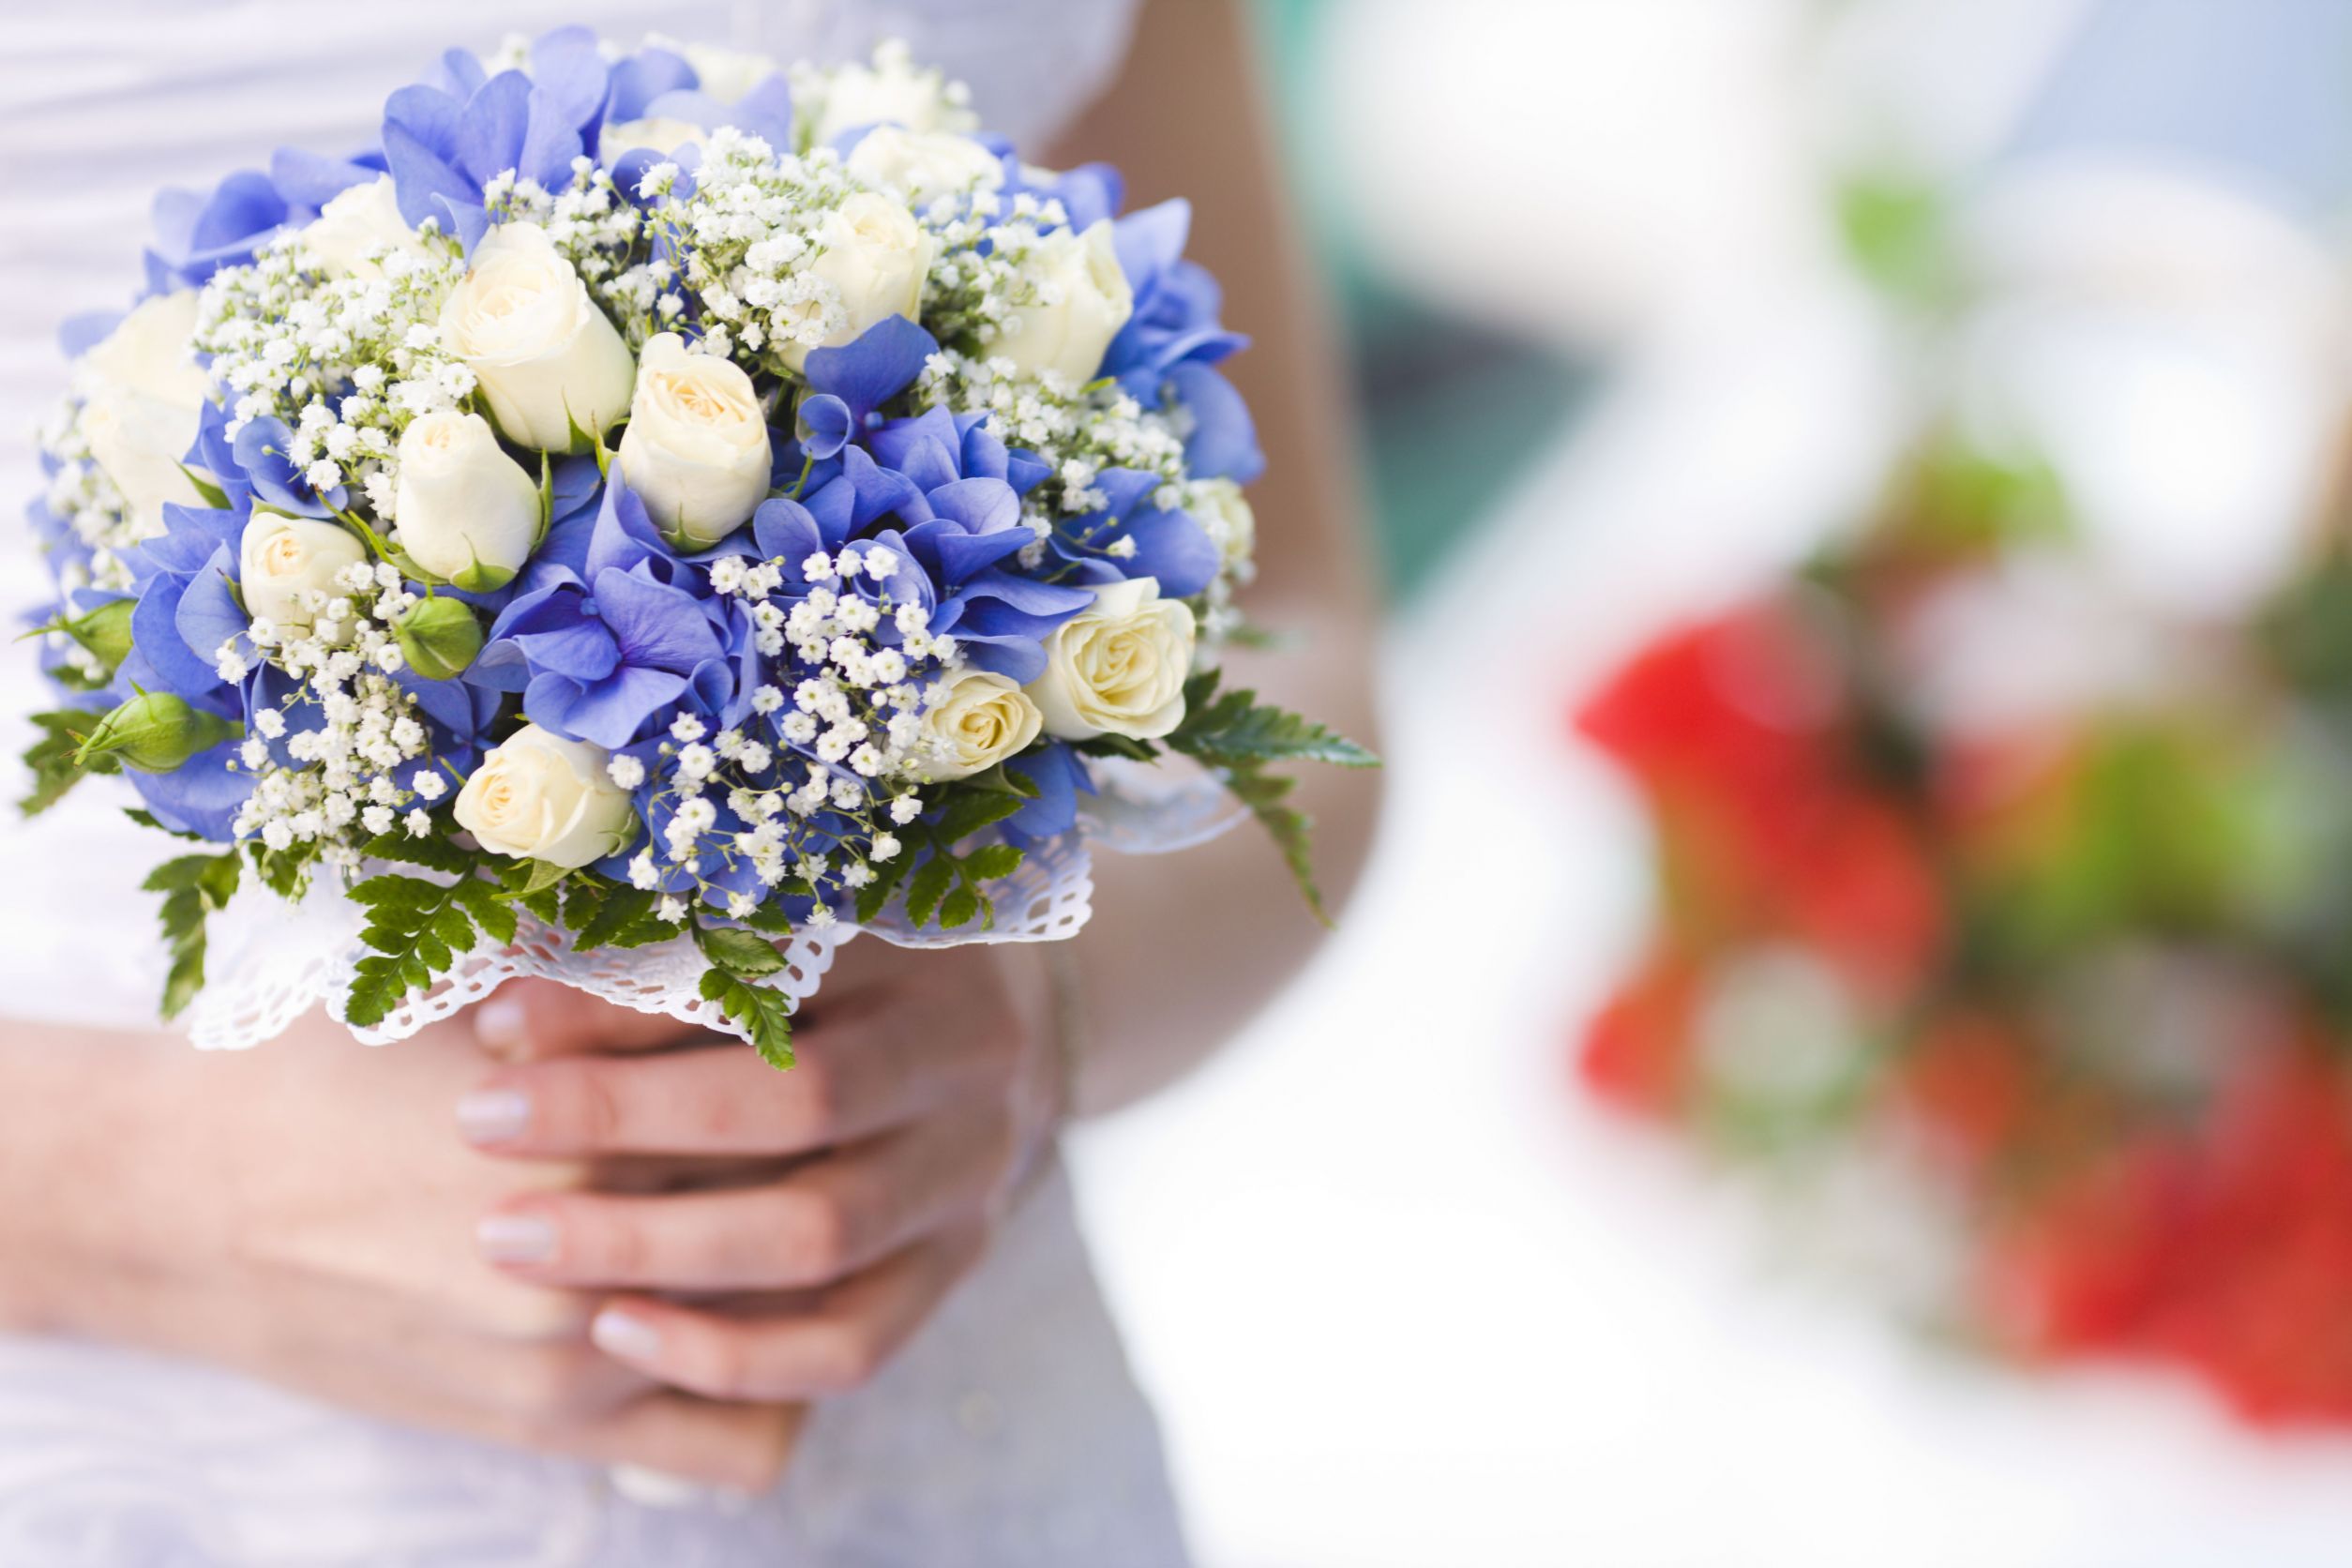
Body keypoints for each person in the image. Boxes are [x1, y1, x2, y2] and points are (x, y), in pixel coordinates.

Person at [0, 0, 1380, 1562]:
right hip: (150, 1437)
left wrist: (1035, 1029)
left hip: (953, 1418)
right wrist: (127, 1197)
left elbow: (1299, 636)